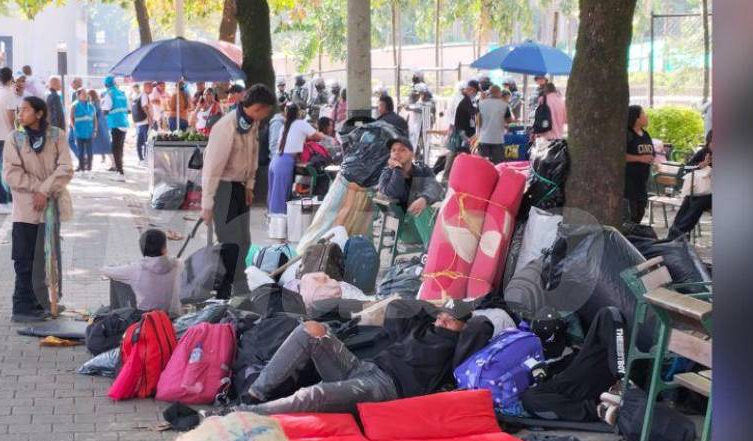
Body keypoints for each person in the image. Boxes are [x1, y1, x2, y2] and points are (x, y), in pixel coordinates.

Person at [232, 302, 492, 415]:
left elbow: (482, 325)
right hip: (363, 367)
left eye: (452, 319)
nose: (443, 320)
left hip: (385, 389)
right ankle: (253, 394)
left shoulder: (458, 349)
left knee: (314, 394)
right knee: (309, 329)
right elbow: (398, 307)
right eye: (442, 315)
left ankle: (248, 413)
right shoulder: (422, 326)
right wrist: (436, 308)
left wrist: (465, 316)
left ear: (464, 327)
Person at [200, 84, 276, 299]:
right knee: (229, 244)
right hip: (222, 188)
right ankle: (223, 294)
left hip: (240, 189)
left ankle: (240, 287)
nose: (267, 115)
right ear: (259, 107)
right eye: (267, 110)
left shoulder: (252, 123)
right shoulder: (226, 126)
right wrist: (207, 204)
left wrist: (250, 186)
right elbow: (212, 168)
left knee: (244, 242)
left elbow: (252, 156)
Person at [3, 95, 74, 322]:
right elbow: (12, 173)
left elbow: (65, 168)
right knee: (24, 259)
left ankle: (44, 302)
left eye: (25, 110)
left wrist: (46, 190)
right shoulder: (15, 138)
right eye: (19, 110)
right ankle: (22, 307)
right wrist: (39, 189)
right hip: (26, 208)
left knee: (47, 258)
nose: (20, 114)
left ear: (39, 113)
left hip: (51, 207)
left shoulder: (56, 135)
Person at [376, 138, 444, 243]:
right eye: (393, 150)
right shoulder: (386, 175)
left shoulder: (422, 170)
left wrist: (424, 198)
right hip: (406, 229)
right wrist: (397, 169)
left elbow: (435, 186)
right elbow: (394, 192)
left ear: (412, 154)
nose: (396, 153)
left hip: (428, 223)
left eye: (402, 150)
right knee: (420, 211)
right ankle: (432, 254)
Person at [101, 229, 181, 317]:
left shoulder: (136, 268)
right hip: (169, 314)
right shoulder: (176, 264)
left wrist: (120, 266)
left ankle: (115, 312)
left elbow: (105, 271)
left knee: (117, 278)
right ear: (164, 248)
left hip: (144, 317)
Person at [268, 104, 327, 216]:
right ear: (298, 113)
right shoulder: (300, 123)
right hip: (285, 162)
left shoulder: (285, 125)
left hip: (275, 160)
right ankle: (279, 226)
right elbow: (317, 136)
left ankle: (273, 223)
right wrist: (325, 135)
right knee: (281, 196)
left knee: (273, 195)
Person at [668, 130, 713, 239]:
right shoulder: (703, 152)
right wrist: (700, 165)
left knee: (699, 203)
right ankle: (674, 234)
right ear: (708, 141)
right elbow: (686, 168)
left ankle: (680, 234)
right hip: (702, 189)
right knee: (688, 201)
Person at [0, 67, 20, 214]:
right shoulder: (9, 95)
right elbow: (10, 118)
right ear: (11, 77)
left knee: (3, 169)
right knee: (3, 170)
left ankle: (6, 199)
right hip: (5, 136)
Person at [624, 105, 657, 223]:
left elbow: (651, 152)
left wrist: (651, 159)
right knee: (631, 212)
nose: (646, 116)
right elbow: (620, 156)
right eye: (643, 114)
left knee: (641, 210)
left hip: (642, 181)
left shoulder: (646, 134)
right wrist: (640, 158)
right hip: (629, 182)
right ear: (637, 118)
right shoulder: (627, 134)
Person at [102, 76, 132, 179]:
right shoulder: (122, 94)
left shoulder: (109, 94)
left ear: (106, 85)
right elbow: (128, 110)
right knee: (120, 148)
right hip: (124, 123)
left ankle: (120, 173)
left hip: (115, 123)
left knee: (115, 149)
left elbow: (106, 109)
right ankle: (120, 171)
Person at [475, 86, 509, 164]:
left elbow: (477, 121)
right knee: (498, 165)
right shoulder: (504, 104)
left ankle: (484, 176)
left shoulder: (481, 104)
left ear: (489, 92)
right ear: (499, 93)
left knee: (483, 164)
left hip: (484, 139)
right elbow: (509, 120)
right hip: (498, 139)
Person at [69, 89, 97, 173]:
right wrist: (74, 129)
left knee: (90, 152)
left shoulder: (91, 106)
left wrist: (95, 130)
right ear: (78, 95)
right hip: (79, 132)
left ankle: (89, 169)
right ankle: (81, 169)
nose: (85, 95)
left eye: (86, 94)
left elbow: (95, 119)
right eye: (83, 94)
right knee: (80, 151)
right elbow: (71, 118)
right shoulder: (75, 105)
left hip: (89, 132)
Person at [88, 88, 113, 171]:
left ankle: (87, 164)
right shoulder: (98, 102)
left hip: (97, 127)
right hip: (101, 126)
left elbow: (93, 116)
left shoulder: (93, 104)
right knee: (106, 145)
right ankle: (114, 163)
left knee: (102, 146)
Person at [132, 82, 153, 163]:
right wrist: (150, 118)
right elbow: (144, 107)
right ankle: (145, 159)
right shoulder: (143, 95)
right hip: (144, 122)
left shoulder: (135, 97)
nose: (151, 88)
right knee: (145, 142)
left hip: (139, 123)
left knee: (140, 142)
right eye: (150, 87)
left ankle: (142, 159)